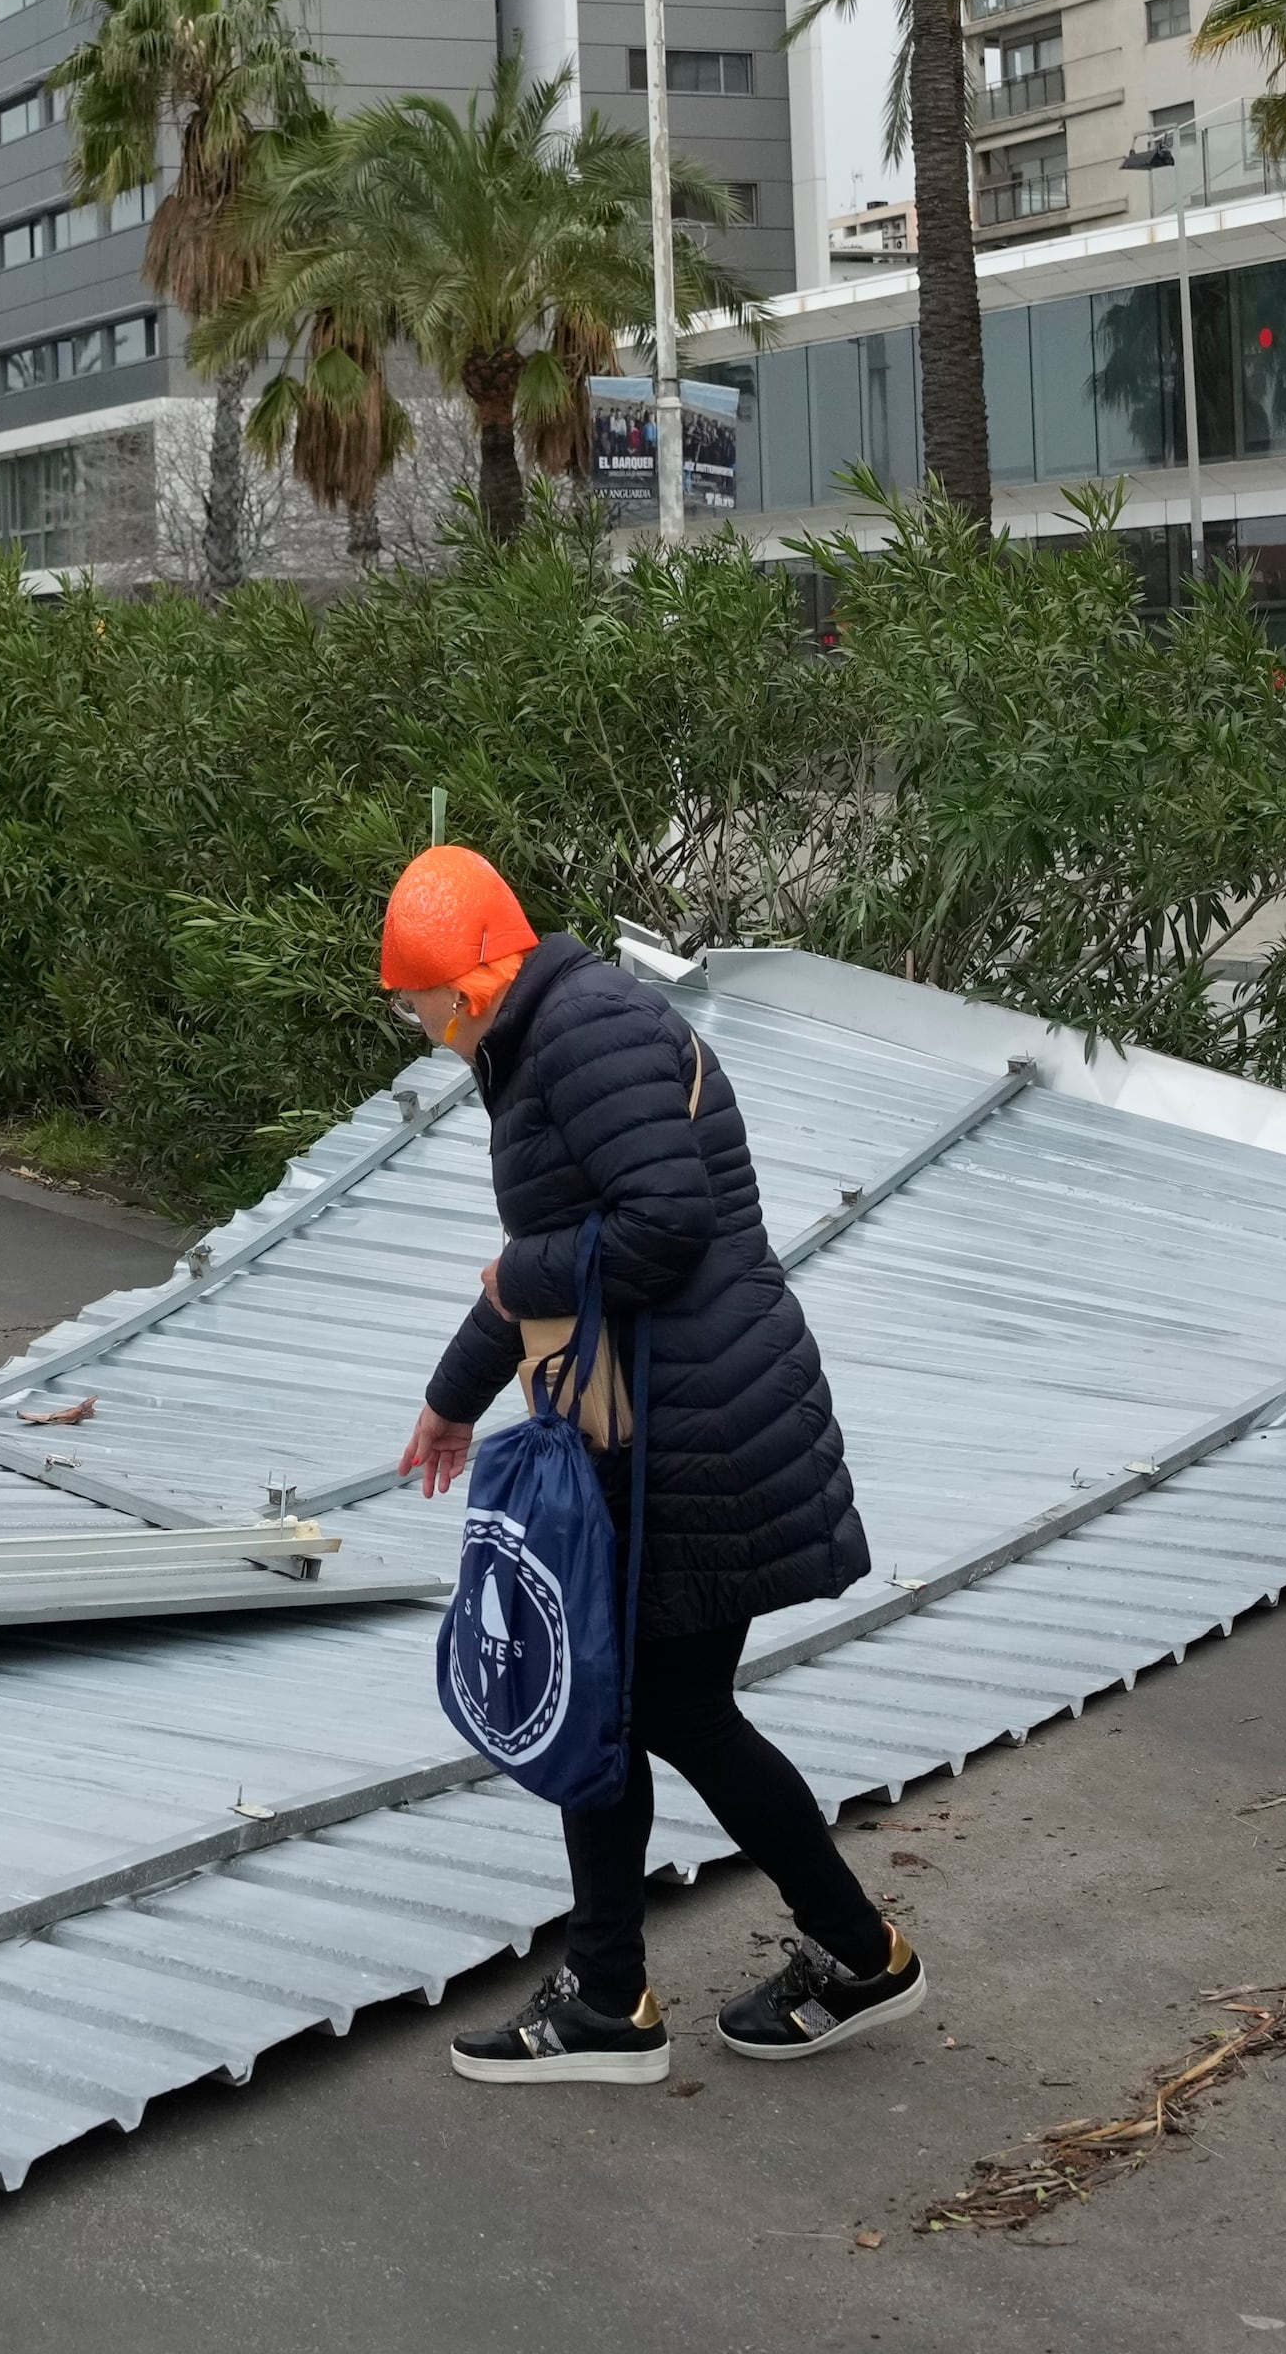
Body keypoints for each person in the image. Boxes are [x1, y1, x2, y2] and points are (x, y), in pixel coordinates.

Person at [378, 846, 926, 2085]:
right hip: (667, 1414)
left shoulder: (578, 1032)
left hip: (697, 1425)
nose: (414, 1032)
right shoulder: (547, 1032)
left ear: (468, 983)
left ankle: (840, 1957)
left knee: (655, 1706)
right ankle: (617, 1991)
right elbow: (560, 1247)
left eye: (415, 1007)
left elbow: (657, 1225)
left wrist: (511, 1285)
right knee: (619, 1705)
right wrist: (452, 1394)